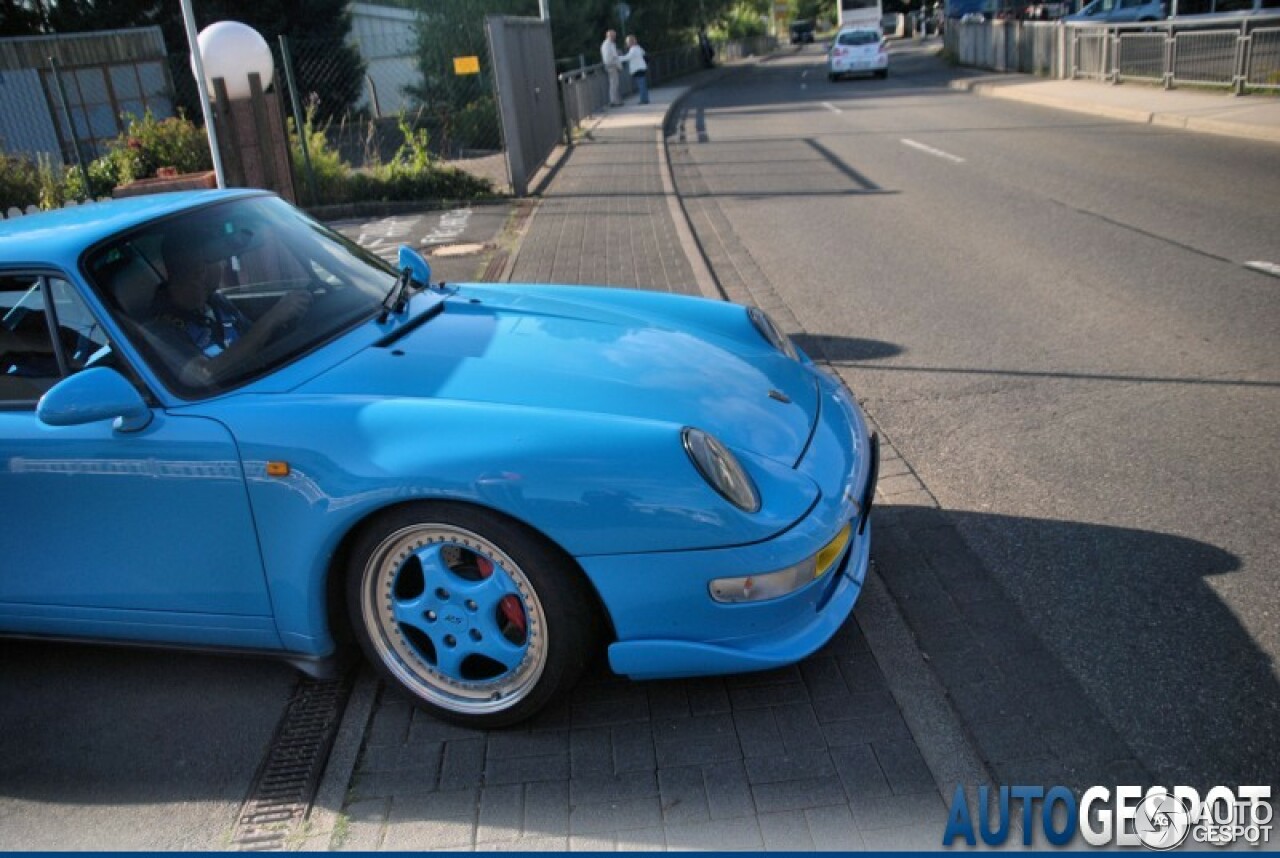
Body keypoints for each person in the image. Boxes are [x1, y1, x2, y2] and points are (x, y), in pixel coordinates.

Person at [147, 229, 310, 387]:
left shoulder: (216, 302)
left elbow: (253, 339)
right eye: (220, 259)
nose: (225, 264)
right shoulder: (161, 331)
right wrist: (272, 319)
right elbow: (203, 375)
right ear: (201, 270)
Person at [620, 34, 649, 105]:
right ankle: (645, 99)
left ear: (630, 42)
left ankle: (643, 100)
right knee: (643, 84)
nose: (627, 44)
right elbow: (643, 53)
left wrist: (617, 58)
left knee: (641, 85)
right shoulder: (638, 47)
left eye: (627, 42)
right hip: (642, 68)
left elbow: (627, 57)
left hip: (638, 69)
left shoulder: (633, 49)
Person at [601, 29, 622, 107]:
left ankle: (615, 100)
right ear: (610, 36)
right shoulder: (609, 44)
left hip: (610, 65)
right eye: (614, 36)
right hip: (612, 66)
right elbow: (612, 57)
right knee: (614, 84)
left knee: (614, 84)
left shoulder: (607, 44)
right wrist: (618, 66)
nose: (615, 37)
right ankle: (614, 101)